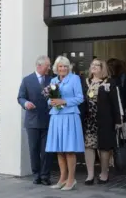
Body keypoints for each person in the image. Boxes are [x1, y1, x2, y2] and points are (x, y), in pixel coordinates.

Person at [45, 55, 84, 191]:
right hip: (56, 116)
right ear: (56, 68)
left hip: (70, 116)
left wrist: (64, 101)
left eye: (65, 66)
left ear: (69, 68)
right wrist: (51, 101)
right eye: (61, 66)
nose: (63, 68)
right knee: (59, 150)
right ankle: (62, 179)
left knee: (69, 150)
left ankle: (71, 180)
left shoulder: (75, 79)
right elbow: (49, 100)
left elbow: (80, 98)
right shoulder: (53, 80)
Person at [82, 59, 122, 185]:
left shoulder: (109, 83)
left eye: (96, 65)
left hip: (105, 120)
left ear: (102, 68)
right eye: (92, 65)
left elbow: (115, 103)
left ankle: (104, 173)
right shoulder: (85, 82)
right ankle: (90, 175)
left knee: (104, 148)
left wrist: (118, 120)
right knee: (89, 146)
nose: (93, 67)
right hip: (89, 121)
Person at [17, 55, 52, 185]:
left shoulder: (51, 80)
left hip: (48, 120)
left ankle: (45, 176)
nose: (49, 68)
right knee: (34, 149)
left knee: (47, 150)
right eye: (47, 66)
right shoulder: (27, 80)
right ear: (39, 66)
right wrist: (26, 103)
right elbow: (20, 97)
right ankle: (36, 174)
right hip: (32, 121)